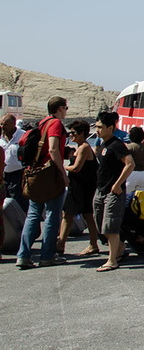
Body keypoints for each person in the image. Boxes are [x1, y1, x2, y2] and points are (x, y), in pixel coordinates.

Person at [16, 96, 70, 269]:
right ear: (60, 108)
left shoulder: (42, 122)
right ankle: (47, 255)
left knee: (33, 214)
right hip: (49, 175)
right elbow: (53, 149)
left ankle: (23, 255)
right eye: (66, 108)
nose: (66, 112)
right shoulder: (55, 124)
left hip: (35, 173)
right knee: (53, 215)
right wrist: (63, 173)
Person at [93, 110, 135, 272]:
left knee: (110, 226)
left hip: (112, 193)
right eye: (96, 127)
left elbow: (130, 164)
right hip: (100, 189)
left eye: (100, 127)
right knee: (100, 224)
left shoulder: (116, 145)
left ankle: (112, 260)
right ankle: (120, 247)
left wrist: (117, 184)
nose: (97, 130)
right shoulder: (103, 144)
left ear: (110, 128)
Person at [58, 119, 100, 257]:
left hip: (81, 187)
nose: (71, 135)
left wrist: (62, 167)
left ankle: (61, 245)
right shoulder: (81, 146)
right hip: (80, 186)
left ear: (82, 133)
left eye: (73, 133)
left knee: (72, 215)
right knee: (81, 215)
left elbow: (76, 168)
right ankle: (91, 244)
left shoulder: (84, 148)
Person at [1, 112, 27, 211]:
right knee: (5, 204)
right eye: (1, 124)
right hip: (3, 176)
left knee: (18, 202)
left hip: (18, 175)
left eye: (5, 124)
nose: (3, 127)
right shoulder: (0, 137)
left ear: (13, 124)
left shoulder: (22, 135)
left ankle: (23, 224)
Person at [125, 127, 144, 197]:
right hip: (143, 173)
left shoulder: (128, 147)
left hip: (130, 173)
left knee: (127, 197)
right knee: (142, 198)